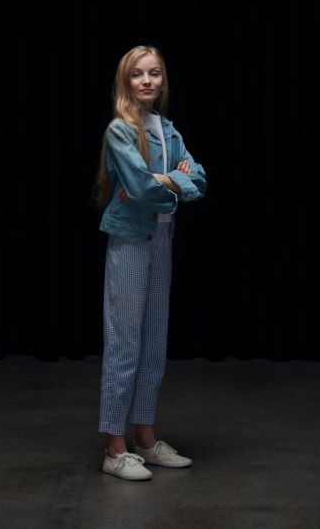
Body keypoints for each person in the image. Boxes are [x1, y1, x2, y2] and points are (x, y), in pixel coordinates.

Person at [90, 45, 207, 481]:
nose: (146, 81)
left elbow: (199, 177)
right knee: (125, 341)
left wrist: (168, 179)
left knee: (155, 340)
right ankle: (114, 447)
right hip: (130, 239)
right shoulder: (122, 130)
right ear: (126, 81)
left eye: (154, 73)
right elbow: (139, 188)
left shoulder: (168, 129)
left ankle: (145, 438)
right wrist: (169, 180)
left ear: (162, 81)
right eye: (137, 74)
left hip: (162, 237)